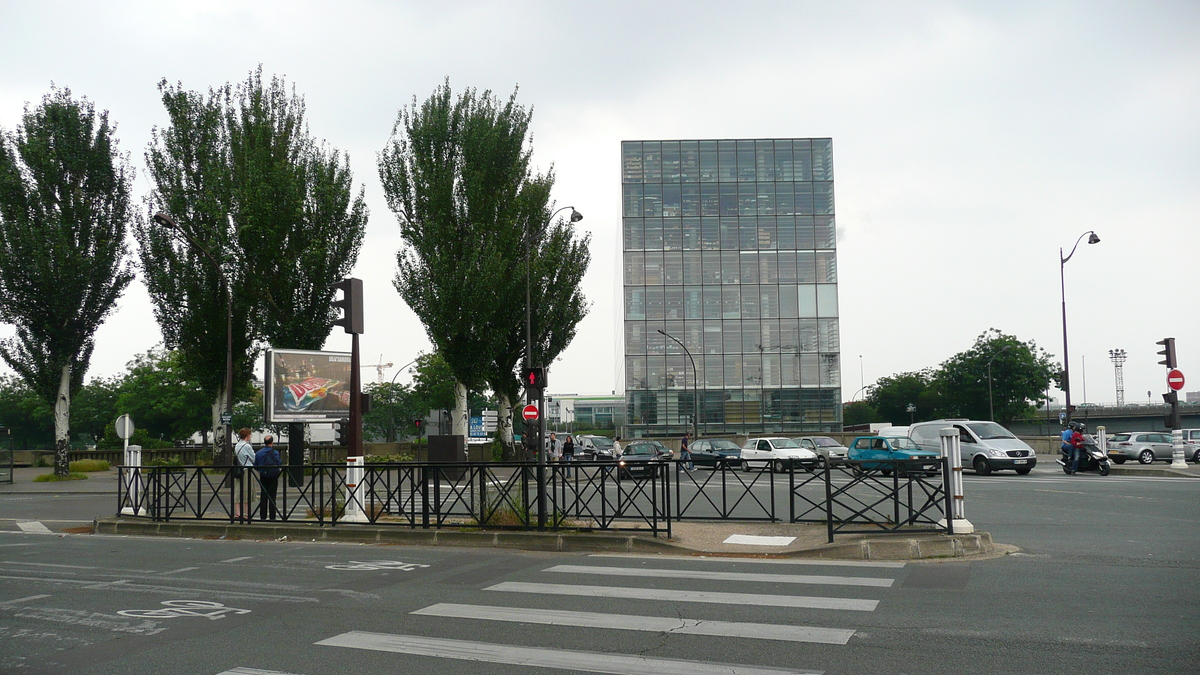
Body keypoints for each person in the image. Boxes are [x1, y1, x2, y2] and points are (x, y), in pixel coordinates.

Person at [254, 435, 283, 520]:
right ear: (272, 442)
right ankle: (272, 517)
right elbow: (279, 463)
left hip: (263, 475)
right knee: (272, 497)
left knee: (263, 496)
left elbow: (256, 465)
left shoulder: (259, 453)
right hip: (273, 476)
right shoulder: (275, 452)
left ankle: (263, 516)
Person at [233, 428, 255, 519]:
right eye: (250, 435)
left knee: (238, 490)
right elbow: (253, 458)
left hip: (239, 469)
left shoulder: (237, 445)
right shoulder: (247, 446)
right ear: (247, 435)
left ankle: (238, 513)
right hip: (247, 469)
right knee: (247, 491)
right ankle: (247, 514)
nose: (250, 436)